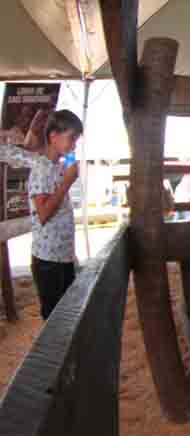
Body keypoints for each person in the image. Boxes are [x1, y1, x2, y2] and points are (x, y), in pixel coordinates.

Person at [28, 110, 83, 320]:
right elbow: (43, 214)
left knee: (67, 316)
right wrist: (67, 182)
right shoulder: (41, 168)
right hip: (48, 260)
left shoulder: (58, 167)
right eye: (71, 138)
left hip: (63, 255)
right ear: (53, 136)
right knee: (54, 321)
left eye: (76, 140)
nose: (74, 145)